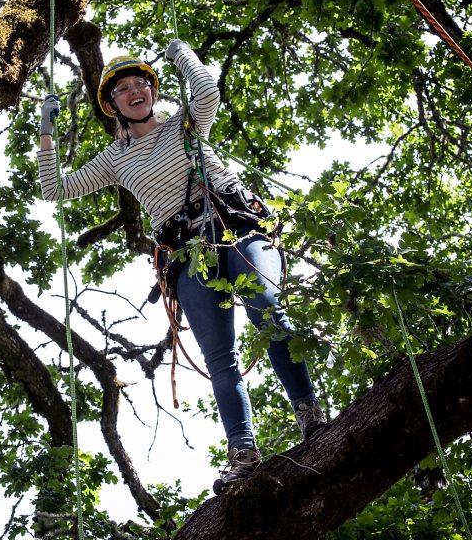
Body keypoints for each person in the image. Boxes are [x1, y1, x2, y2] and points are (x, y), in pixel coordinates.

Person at [36, 39, 326, 494]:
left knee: (268, 310)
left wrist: (182, 53)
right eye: (124, 89)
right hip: (188, 252)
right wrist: (47, 131)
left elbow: (207, 92)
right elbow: (53, 188)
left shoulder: (184, 124)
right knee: (219, 358)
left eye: (142, 84)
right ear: (112, 106)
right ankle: (244, 451)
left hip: (235, 227)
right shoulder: (115, 160)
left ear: (153, 91)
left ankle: (309, 413)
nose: (136, 92)